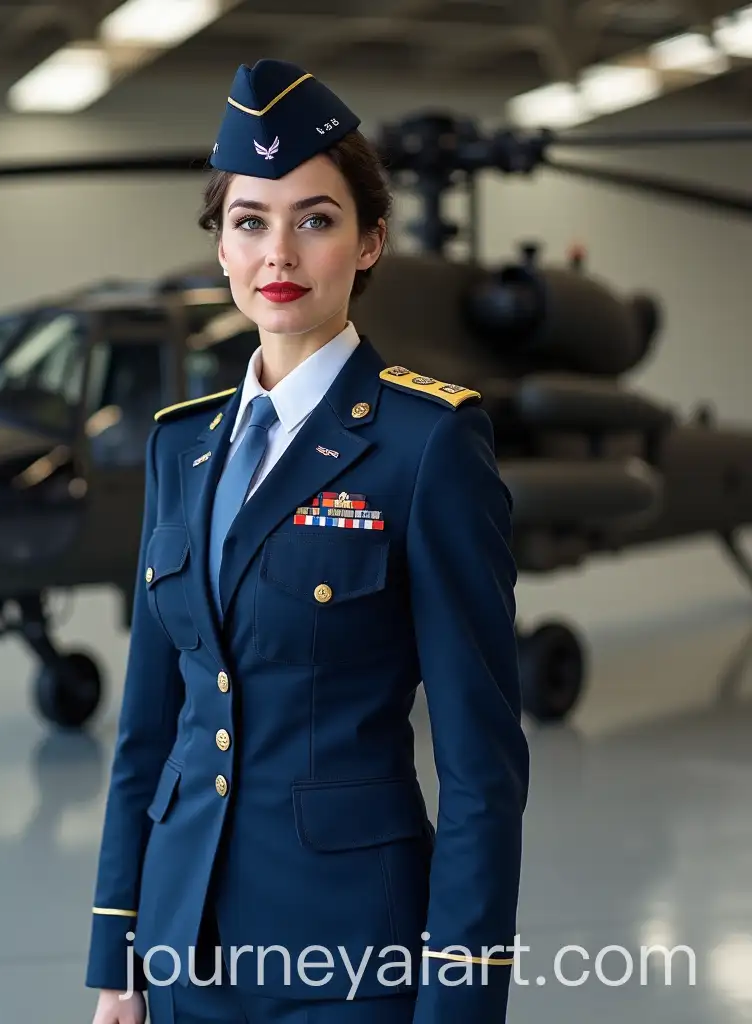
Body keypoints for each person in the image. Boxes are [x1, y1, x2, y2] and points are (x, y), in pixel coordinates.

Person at [86, 58, 529, 1024]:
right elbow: (149, 734)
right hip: (179, 945)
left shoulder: (427, 444)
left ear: (369, 244)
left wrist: (456, 1006)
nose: (277, 253)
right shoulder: (181, 446)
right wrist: (119, 956)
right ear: (222, 248)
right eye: (250, 221)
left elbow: (481, 773)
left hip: (346, 960)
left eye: (315, 220)